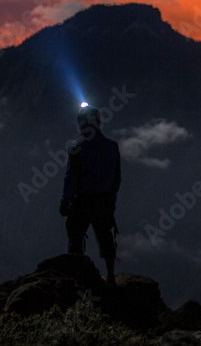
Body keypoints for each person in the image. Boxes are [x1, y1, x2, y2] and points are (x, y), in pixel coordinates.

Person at [59, 103, 121, 285]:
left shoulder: (77, 147)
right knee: (105, 236)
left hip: (82, 201)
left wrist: (64, 202)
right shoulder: (112, 146)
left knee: (75, 238)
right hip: (104, 200)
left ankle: (76, 279)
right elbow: (117, 178)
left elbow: (70, 178)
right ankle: (110, 276)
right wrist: (111, 198)